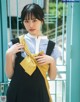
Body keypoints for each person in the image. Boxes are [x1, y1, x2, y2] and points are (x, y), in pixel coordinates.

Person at [5, 3, 61, 102]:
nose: (30, 25)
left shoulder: (52, 47)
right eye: (26, 21)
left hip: (40, 95)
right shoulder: (16, 44)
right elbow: (10, 75)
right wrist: (8, 55)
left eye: (34, 20)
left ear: (42, 21)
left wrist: (51, 61)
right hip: (17, 95)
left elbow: (52, 77)